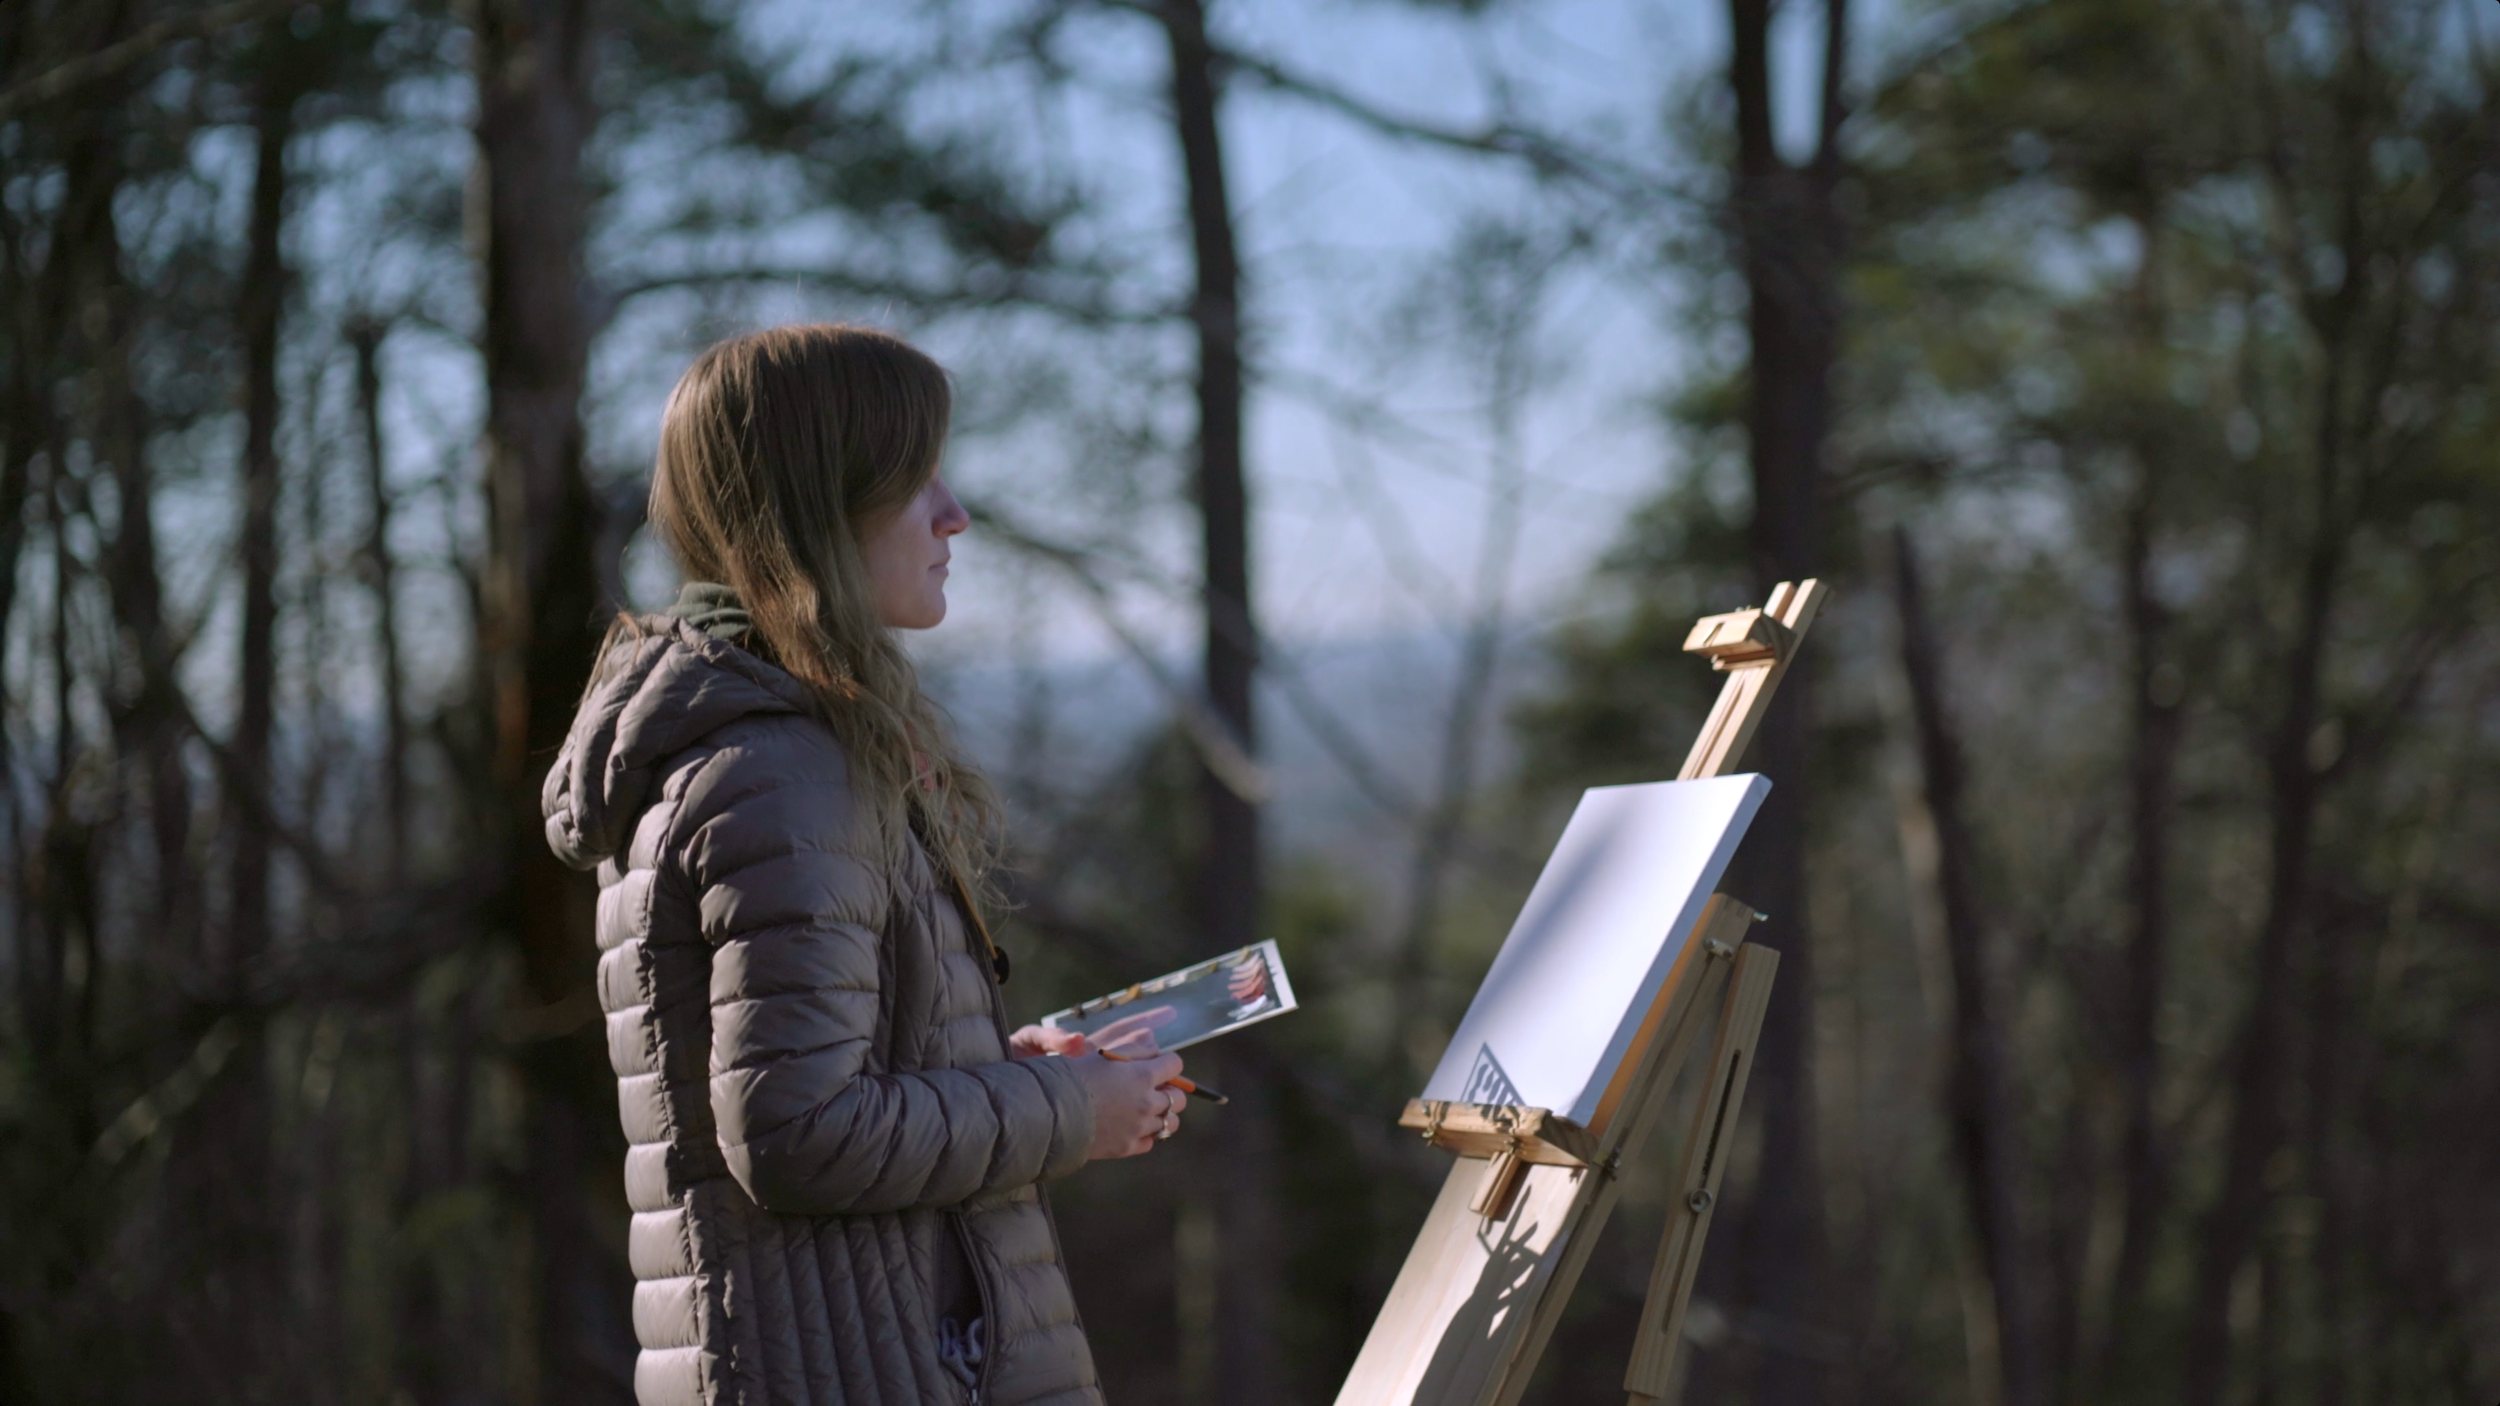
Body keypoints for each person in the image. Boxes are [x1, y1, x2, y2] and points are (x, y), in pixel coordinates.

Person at [542, 323, 1187, 1406]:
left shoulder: (746, 745)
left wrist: (998, 1059)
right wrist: (1066, 1108)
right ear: (814, 507)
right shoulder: (781, 772)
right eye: (914, 479)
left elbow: (805, 1072)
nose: (953, 513)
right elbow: (796, 1132)